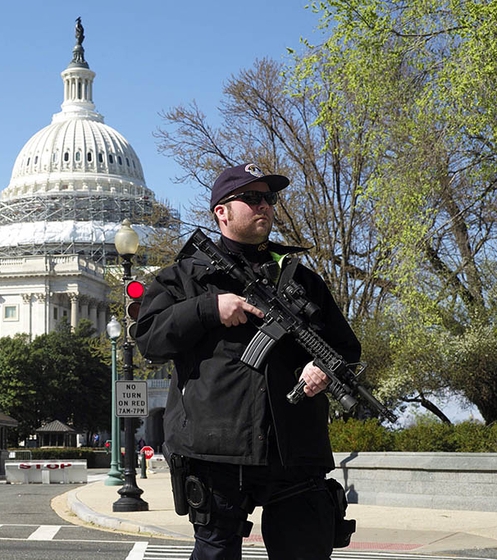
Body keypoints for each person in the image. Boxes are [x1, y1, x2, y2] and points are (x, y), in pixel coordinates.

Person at [135, 163, 361, 559]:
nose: (266, 207)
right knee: (216, 553)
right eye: (253, 198)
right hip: (215, 451)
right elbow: (150, 339)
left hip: (296, 450)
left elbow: (346, 346)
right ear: (221, 212)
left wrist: (323, 368)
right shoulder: (185, 278)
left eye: (270, 199)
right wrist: (208, 308)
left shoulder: (300, 279)